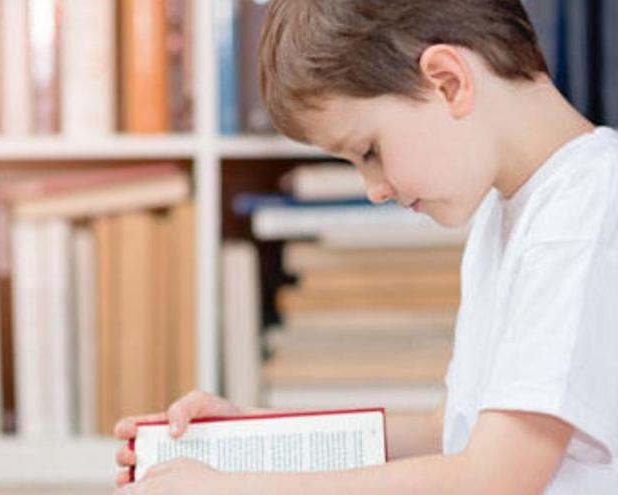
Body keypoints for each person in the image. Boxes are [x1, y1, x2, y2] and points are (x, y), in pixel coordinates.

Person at [112, 1, 618, 493]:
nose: (375, 188)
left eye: (368, 151)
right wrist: (258, 433)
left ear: (448, 81)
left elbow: (492, 479)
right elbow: (449, 433)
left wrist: (241, 489)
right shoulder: (506, 214)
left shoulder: (580, 213)